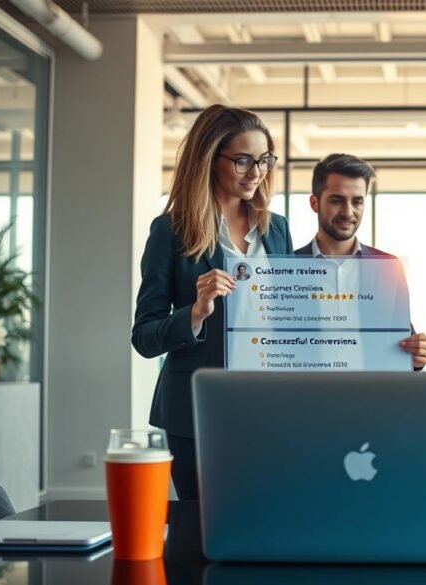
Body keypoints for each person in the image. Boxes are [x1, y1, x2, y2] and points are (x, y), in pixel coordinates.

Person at [132, 105, 293, 499]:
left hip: (267, 406)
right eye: (242, 161)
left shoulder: (277, 229)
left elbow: (293, 317)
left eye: (264, 160)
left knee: (265, 518)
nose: (256, 172)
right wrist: (196, 313)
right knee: (202, 529)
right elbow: (144, 337)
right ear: (210, 159)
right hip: (195, 408)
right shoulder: (170, 230)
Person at [293, 153, 426, 369]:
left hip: (372, 397)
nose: (348, 212)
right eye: (337, 200)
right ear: (315, 203)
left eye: (357, 201)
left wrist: (418, 355)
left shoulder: (388, 268)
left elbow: (404, 342)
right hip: (303, 398)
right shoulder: (285, 268)